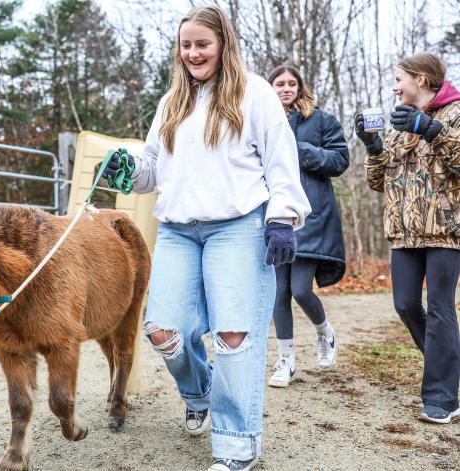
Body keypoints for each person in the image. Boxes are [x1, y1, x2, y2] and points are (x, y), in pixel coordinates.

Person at [101, 5, 310, 470]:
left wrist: (282, 217)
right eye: (186, 45)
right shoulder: (172, 100)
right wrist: (127, 169)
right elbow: (153, 168)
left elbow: (281, 160)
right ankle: (201, 393)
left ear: (223, 45)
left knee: (234, 336)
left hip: (238, 226)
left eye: (203, 44)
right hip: (178, 229)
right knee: (162, 330)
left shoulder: (254, 93)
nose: (193, 53)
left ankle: (237, 447)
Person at [356, 52, 460, 424]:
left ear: (420, 78)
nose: (395, 88)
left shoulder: (454, 113)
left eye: (399, 79)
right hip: (404, 232)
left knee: (440, 307)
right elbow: (379, 183)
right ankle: (447, 365)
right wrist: (373, 148)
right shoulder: (400, 123)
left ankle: (442, 398)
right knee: (404, 304)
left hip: (444, 230)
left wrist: (431, 130)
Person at [266, 66, 349, 388]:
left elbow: (340, 161)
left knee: (301, 289)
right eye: (279, 84)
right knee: (279, 292)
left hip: (312, 217)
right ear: (270, 88)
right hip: (273, 216)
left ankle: (324, 331)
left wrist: (300, 150)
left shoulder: (322, 120)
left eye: (291, 83)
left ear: (300, 87)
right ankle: (285, 360)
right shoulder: (264, 121)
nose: (285, 88)